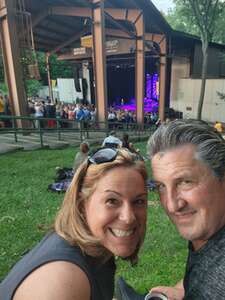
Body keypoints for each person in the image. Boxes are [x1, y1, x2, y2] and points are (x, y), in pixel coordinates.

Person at [0, 148, 148, 300]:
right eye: (112, 201)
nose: (128, 217)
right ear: (81, 204)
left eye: (138, 201)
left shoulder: (95, 248)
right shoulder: (61, 284)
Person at [147, 119, 225, 300]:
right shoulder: (209, 233)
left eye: (185, 182)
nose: (172, 205)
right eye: (161, 186)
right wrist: (184, 291)